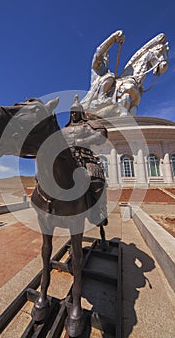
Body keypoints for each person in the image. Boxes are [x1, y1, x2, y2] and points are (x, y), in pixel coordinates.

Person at [63, 95, 108, 227]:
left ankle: (99, 212)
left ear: (81, 113)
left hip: (84, 158)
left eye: (76, 112)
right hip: (66, 159)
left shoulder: (87, 125)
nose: (73, 115)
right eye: (71, 112)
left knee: (95, 178)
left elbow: (102, 134)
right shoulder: (63, 130)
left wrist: (82, 141)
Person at [81, 30, 125, 108]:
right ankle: (101, 98)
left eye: (107, 56)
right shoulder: (96, 64)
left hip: (106, 85)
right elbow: (99, 52)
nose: (106, 58)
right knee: (110, 76)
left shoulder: (105, 69)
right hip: (95, 90)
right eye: (105, 55)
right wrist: (113, 38)